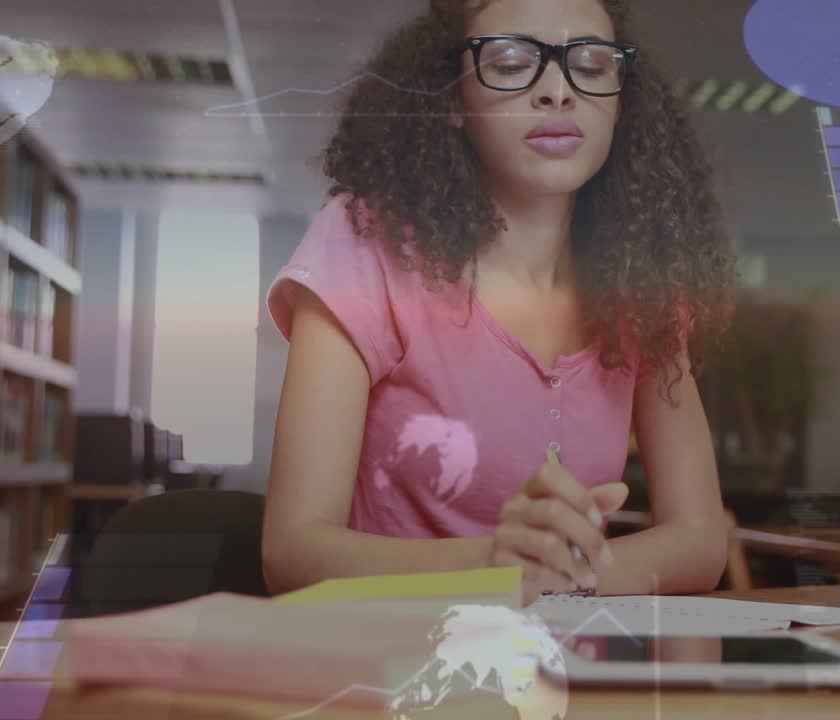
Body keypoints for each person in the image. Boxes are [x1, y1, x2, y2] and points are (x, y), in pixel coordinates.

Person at [261, 0, 736, 605]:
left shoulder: (639, 280)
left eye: (591, 66)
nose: (558, 91)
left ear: (622, 104)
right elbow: (292, 552)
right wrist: (499, 567)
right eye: (512, 62)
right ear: (451, 100)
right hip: (394, 677)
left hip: (570, 682)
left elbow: (700, 541)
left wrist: (554, 578)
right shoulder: (363, 246)